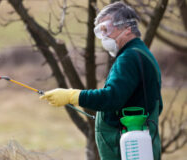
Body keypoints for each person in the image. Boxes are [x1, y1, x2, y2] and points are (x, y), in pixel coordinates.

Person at [40, 2, 162, 160]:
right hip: (137, 146)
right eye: (100, 32)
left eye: (107, 29)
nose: (104, 37)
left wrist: (72, 96)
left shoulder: (129, 58)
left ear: (128, 28)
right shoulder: (140, 54)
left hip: (130, 150)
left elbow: (111, 98)